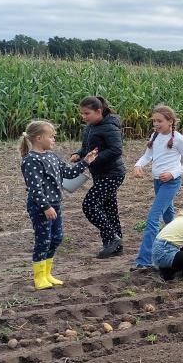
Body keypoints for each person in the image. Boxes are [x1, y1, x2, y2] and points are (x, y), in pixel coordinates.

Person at [20, 121, 98, 290]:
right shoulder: (31, 160)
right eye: (51, 136)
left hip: (55, 204)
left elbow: (68, 173)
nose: (54, 139)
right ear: (38, 138)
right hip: (41, 207)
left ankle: (47, 274)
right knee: (43, 239)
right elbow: (35, 188)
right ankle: (39, 277)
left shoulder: (51, 156)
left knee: (57, 237)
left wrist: (86, 161)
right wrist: (46, 207)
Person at [130, 105, 183, 272]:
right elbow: (148, 155)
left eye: (159, 121)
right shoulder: (155, 135)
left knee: (153, 218)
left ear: (170, 121)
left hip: (171, 183)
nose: (156, 124)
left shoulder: (179, 140)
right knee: (169, 217)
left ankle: (144, 261)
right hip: (158, 182)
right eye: (154, 121)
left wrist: (173, 174)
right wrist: (138, 165)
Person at [69, 96, 125, 259]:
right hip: (100, 174)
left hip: (112, 174)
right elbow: (87, 147)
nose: (83, 117)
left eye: (87, 113)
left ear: (98, 111)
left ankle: (112, 238)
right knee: (109, 208)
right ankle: (115, 246)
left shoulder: (110, 127)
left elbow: (116, 150)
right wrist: (78, 154)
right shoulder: (90, 127)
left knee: (90, 205)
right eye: (82, 113)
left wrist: (93, 159)